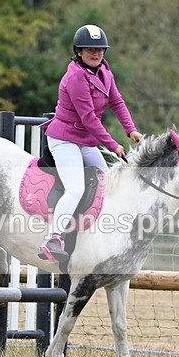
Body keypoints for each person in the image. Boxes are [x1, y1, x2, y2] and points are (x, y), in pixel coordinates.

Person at [38, 24, 143, 263]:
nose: (96, 54)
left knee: (107, 183)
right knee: (76, 187)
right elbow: (89, 119)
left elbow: (117, 102)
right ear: (78, 51)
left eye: (100, 50)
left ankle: (97, 235)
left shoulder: (105, 71)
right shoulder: (75, 77)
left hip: (85, 141)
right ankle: (53, 237)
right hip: (64, 139)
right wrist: (113, 145)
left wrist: (131, 130)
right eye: (90, 50)